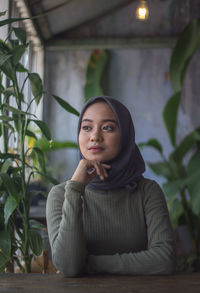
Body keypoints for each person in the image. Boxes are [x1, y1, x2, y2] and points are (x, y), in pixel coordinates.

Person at [46, 96, 176, 277]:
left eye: (107, 127)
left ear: (125, 135)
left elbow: (164, 259)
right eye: (86, 127)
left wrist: (90, 264)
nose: (95, 136)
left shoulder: (147, 191)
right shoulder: (61, 194)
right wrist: (75, 188)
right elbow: (69, 266)